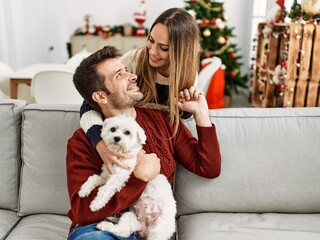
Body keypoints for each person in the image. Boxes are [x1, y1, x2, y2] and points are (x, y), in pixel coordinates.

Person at [66, 46, 221, 240]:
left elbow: (209, 168)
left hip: (152, 226)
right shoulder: (82, 141)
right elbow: (83, 212)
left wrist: (201, 115)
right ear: (100, 96)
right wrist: (139, 177)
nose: (132, 76)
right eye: (119, 75)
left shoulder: (164, 120)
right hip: (102, 228)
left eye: (126, 70)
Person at [80, 8, 201, 174]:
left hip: (155, 148)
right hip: (124, 138)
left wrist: (190, 111)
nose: (152, 51)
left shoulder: (187, 76)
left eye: (163, 48)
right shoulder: (134, 59)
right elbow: (93, 100)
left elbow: (179, 121)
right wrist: (98, 141)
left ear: (182, 51)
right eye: (151, 40)